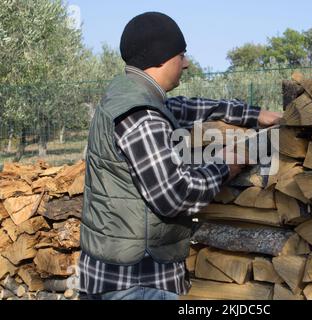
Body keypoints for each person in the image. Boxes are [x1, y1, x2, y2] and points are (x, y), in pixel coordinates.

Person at [78, 12, 282, 300]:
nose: (186, 63)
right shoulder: (142, 116)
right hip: (137, 282)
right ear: (161, 58)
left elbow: (184, 107)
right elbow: (175, 194)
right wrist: (227, 165)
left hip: (121, 275)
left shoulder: (129, 94)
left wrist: (252, 114)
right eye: (181, 54)